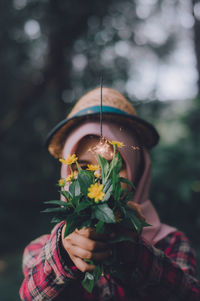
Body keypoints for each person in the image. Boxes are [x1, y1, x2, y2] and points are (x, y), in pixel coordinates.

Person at [19, 87, 200, 300]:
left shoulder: (172, 244)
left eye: (113, 167)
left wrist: (136, 255)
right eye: (84, 167)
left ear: (138, 172)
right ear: (68, 173)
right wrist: (64, 255)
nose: (99, 179)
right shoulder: (40, 249)